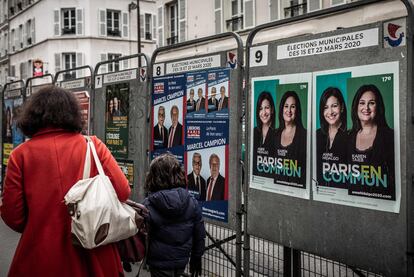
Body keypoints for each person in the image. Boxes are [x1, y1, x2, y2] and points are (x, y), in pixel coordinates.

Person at [0, 85, 130, 276]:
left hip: (40, 257)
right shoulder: (93, 146)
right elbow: (123, 192)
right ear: (73, 114)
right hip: (93, 255)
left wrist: (39, 222)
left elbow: (13, 216)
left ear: (32, 116)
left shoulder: (20, 155)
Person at [143, 153, 205, 277]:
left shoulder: (149, 204)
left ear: (154, 176)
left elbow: (139, 235)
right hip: (182, 261)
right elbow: (199, 233)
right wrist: (196, 257)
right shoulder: (191, 201)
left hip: (158, 262)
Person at [348, 84, 395, 199]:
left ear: (378, 107)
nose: (366, 108)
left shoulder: (389, 136)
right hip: (351, 202)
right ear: (356, 107)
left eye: (371, 103)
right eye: (362, 103)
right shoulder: (347, 137)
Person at [316, 87, 348, 188]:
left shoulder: (351, 134)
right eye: (326, 107)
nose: (330, 112)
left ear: (342, 107)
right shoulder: (317, 135)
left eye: (334, 106)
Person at [274, 90, 307, 186]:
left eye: (292, 107)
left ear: (297, 110)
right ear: (281, 109)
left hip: (297, 190)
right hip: (276, 189)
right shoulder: (275, 135)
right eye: (286, 106)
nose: (288, 111)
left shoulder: (304, 135)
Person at [252, 91, 276, 176]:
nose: (264, 113)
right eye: (261, 109)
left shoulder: (278, 132)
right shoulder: (254, 132)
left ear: (272, 109)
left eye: (267, 108)